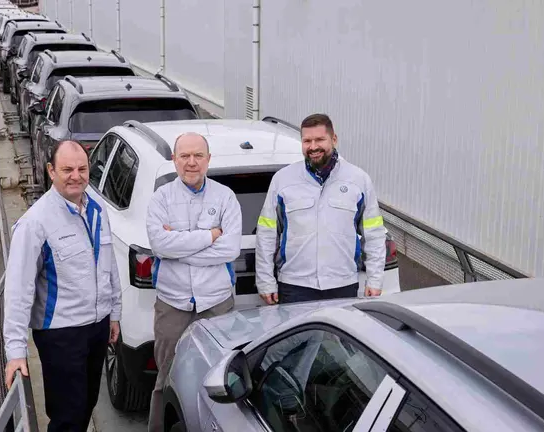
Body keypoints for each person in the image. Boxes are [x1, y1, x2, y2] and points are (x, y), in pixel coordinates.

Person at [2, 140, 122, 432]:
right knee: (67, 414)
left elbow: (109, 265)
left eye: (82, 169)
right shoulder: (35, 223)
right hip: (61, 335)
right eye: (67, 169)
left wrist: (114, 312)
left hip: (97, 327)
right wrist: (15, 352)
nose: (76, 176)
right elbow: (18, 290)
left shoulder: (96, 209)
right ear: (51, 171)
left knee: (87, 403)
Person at [145, 132, 242, 432]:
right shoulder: (161, 198)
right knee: (166, 375)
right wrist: (208, 236)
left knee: (219, 376)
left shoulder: (225, 197)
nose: (191, 162)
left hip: (217, 304)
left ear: (208, 160)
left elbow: (231, 249)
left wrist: (180, 247)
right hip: (172, 305)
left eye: (198, 155)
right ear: (174, 160)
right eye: (184, 156)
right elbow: (161, 245)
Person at [255, 113, 387, 304]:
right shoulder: (283, 180)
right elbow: (267, 234)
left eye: (319, 139)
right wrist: (265, 280)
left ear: (334, 139)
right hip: (294, 286)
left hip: (342, 285)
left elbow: (374, 234)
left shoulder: (358, 180)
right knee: (297, 335)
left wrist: (375, 279)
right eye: (307, 140)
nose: (313, 146)